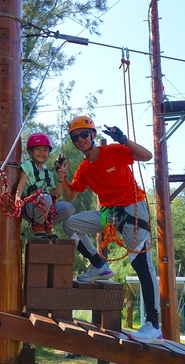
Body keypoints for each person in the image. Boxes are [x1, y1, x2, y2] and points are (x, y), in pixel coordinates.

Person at [58, 116, 163, 344]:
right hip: (110, 214)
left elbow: (146, 156)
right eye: (76, 137)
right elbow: (71, 194)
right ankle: (99, 266)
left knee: (142, 265)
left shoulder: (115, 151)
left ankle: (154, 325)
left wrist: (124, 139)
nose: (80, 139)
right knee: (70, 224)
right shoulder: (85, 168)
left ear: (93, 135)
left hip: (133, 207)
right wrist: (62, 176)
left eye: (84, 134)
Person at [15, 132, 74, 238]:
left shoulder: (48, 173)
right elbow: (22, 181)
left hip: (45, 206)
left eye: (45, 150)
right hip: (30, 207)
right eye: (38, 149)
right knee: (45, 197)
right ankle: (38, 226)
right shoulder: (28, 165)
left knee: (68, 207)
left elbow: (54, 193)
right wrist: (18, 197)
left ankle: (46, 226)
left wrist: (61, 178)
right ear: (30, 151)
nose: (42, 152)